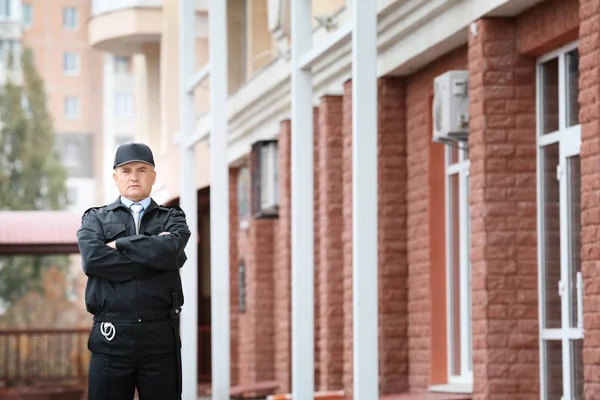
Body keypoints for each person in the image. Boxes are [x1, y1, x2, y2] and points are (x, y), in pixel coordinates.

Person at [76, 142, 191, 400]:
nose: (134, 176)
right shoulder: (95, 218)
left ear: (153, 175)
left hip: (159, 338)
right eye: (126, 171)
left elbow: (171, 248)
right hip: (111, 336)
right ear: (116, 177)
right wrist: (154, 257)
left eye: (142, 169)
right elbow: (93, 259)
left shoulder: (172, 217)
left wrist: (120, 244)